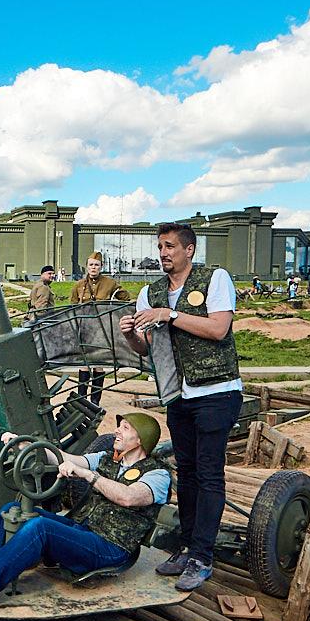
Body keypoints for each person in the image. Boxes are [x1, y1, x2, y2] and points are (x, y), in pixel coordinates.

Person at [0, 414, 171, 604]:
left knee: (40, 529)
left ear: (141, 440)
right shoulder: (108, 458)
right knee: (14, 509)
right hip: (86, 531)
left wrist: (89, 476)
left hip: (111, 548)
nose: (117, 430)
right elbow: (66, 459)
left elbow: (128, 497)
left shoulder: (158, 475)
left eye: (125, 428)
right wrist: (25, 444)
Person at [121, 222, 242, 592]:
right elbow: (147, 349)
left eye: (170, 246)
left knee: (209, 474)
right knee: (186, 474)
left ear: (189, 250)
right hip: (179, 395)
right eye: (160, 246)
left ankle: (203, 556)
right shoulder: (151, 291)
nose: (163, 253)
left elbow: (219, 329)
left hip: (216, 392)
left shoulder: (215, 279)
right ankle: (188, 547)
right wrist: (131, 336)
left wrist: (169, 315)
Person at [70, 252, 127, 403]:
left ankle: (95, 400)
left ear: (101, 267)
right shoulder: (79, 285)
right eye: (91, 265)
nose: (93, 268)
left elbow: (125, 298)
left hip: (102, 330)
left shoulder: (110, 283)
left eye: (96, 265)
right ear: (87, 267)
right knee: (84, 363)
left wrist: (114, 314)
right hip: (85, 329)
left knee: (99, 365)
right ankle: (81, 397)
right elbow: (72, 307)